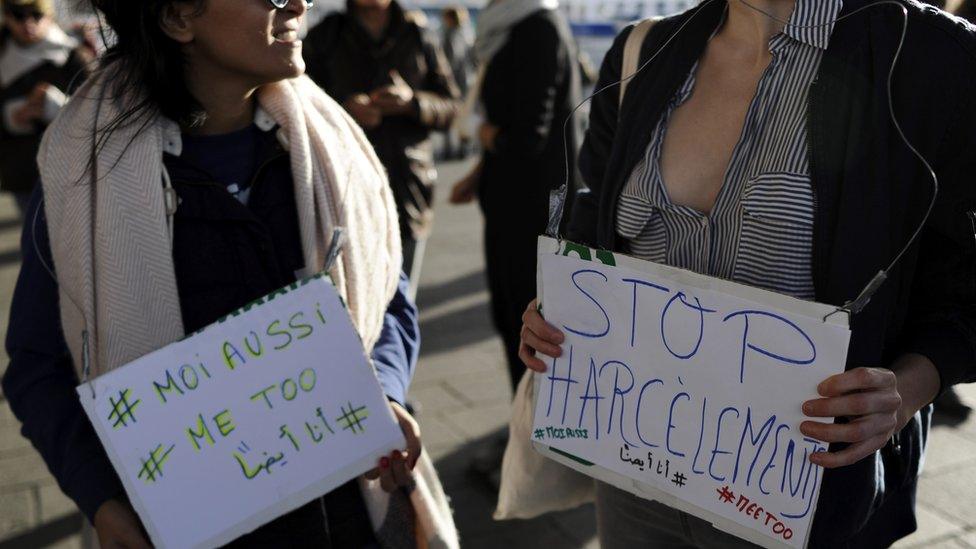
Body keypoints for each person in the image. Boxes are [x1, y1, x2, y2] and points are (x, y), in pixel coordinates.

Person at [518, 0, 976, 547]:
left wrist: (905, 390)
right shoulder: (644, 50)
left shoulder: (932, 58)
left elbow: (966, 284)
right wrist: (558, 310)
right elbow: (592, 220)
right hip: (633, 471)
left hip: (801, 493)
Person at [1, 0, 456, 547]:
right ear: (175, 17)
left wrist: (384, 391)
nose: (299, 2)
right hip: (188, 527)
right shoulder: (83, 177)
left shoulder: (331, 148)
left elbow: (389, 297)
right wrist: (100, 497)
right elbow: (37, 365)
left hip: (357, 513)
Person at [450, 0, 581, 395]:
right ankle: (522, 424)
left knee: (524, 325)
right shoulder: (521, 23)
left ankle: (529, 434)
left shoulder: (535, 28)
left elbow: (527, 136)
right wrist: (479, 170)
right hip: (516, 201)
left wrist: (479, 130)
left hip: (530, 212)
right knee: (513, 320)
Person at [302, 0, 462, 299]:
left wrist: (412, 102)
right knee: (348, 303)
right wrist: (342, 107)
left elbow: (452, 107)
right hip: (340, 186)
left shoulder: (418, 35)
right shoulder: (326, 35)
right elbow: (296, 96)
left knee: (400, 302)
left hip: (408, 186)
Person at [0, 0, 90, 215]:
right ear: (6, 16)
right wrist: (12, 116)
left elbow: (97, 115)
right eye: (18, 15)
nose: (28, 23)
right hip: (22, 172)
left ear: (49, 16)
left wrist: (58, 106)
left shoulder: (73, 55)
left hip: (69, 171)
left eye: (36, 15)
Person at [440, 6, 473, 159]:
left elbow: (449, 62)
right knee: (463, 115)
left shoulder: (449, 36)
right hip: (465, 81)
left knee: (449, 115)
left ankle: (449, 149)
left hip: (453, 82)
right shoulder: (466, 33)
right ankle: (463, 147)